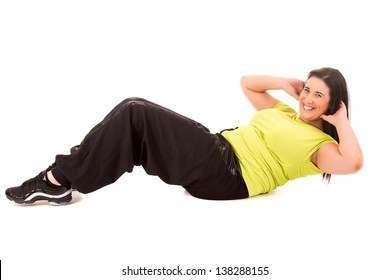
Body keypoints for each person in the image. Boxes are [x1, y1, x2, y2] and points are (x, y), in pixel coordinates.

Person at [5, 67, 363, 205]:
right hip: (218, 146)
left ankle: (57, 178)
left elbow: (354, 164)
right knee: (135, 116)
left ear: (334, 103)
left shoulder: (323, 148)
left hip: (229, 175)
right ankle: (64, 176)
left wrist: (342, 121)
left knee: (136, 111)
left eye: (319, 95)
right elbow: (247, 84)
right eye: (307, 90)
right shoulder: (285, 111)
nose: (308, 99)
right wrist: (285, 84)